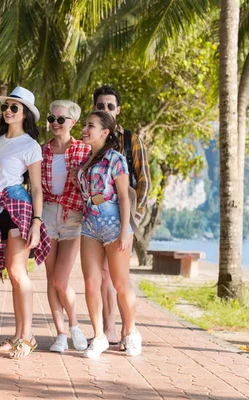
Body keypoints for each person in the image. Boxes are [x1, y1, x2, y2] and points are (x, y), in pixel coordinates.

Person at [0, 86, 51, 359]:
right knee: (14, 276)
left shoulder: (30, 145)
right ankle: (18, 335)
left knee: (17, 271)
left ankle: (27, 337)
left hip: (17, 205)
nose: (8, 111)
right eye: (7, 106)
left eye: (15, 107)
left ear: (26, 114)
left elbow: (36, 188)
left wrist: (36, 222)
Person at [76, 111, 141, 358]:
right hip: (90, 224)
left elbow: (124, 197)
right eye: (85, 125)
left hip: (114, 225)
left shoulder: (116, 159)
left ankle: (131, 332)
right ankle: (99, 336)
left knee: (120, 283)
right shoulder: (85, 159)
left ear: (104, 132)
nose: (85, 129)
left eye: (90, 126)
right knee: (91, 283)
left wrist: (125, 231)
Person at [92, 85, 151, 347]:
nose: (105, 109)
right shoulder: (91, 140)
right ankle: (108, 328)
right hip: (98, 219)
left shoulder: (131, 140)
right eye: (100, 106)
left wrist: (133, 219)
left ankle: (130, 330)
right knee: (103, 276)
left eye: (110, 106)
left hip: (124, 217)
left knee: (119, 278)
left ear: (118, 109)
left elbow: (145, 181)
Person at [41, 100, 90, 352]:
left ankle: (74, 325)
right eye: (52, 119)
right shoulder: (42, 151)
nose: (55, 124)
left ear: (72, 122)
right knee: (51, 280)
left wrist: (80, 177)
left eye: (61, 119)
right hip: (48, 215)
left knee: (61, 279)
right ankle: (60, 334)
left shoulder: (84, 150)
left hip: (73, 217)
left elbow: (96, 183)